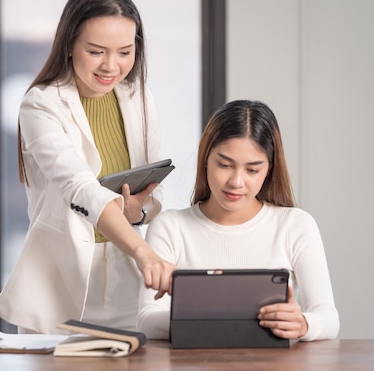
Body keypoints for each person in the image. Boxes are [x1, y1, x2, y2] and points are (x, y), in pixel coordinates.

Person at [0, 0, 175, 334]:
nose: (112, 66)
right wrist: (144, 252)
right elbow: (82, 189)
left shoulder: (139, 97)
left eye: (125, 51)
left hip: (128, 282)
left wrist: (141, 211)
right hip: (62, 285)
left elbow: (154, 195)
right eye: (96, 51)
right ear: (70, 47)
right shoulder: (40, 104)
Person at [137, 99, 340, 341]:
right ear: (205, 159)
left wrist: (303, 324)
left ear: (269, 169)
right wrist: (219, 318)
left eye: (252, 170)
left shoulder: (295, 225)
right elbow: (146, 321)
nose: (236, 181)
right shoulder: (170, 227)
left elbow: (328, 318)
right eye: (224, 165)